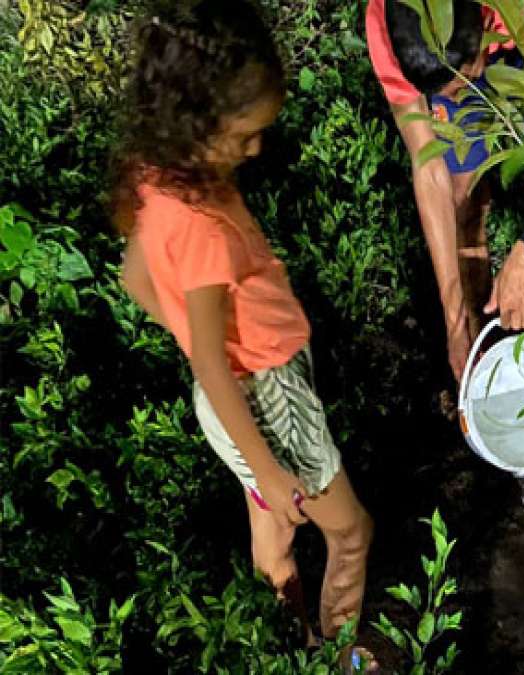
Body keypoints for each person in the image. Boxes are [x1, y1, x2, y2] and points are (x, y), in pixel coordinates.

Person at [111, 2, 377, 669]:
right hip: (267, 392)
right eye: (245, 135)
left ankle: (295, 645)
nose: (256, 148)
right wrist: (265, 457)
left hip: (233, 397)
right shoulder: (200, 225)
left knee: (273, 529)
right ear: (197, 121)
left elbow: (134, 279)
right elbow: (205, 352)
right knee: (351, 531)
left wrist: (212, 361)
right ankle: (340, 651)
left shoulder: (156, 175)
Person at [365, 0, 524, 417]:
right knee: (461, 193)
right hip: (467, 49)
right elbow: (429, 170)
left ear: (482, 22)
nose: (458, 92)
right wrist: (454, 322)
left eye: (461, 81)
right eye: (444, 91)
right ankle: (477, 341)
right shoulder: (387, 24)